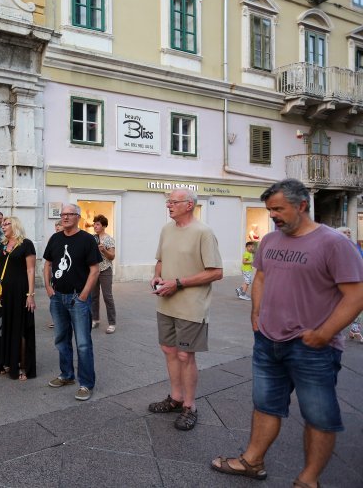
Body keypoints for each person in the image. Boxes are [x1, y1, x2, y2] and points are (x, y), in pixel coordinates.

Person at [211, 179, 363, 487]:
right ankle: (252, 462)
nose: (273, 216)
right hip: (268, 340)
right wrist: (256, 313)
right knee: (265, 405)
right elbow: (262, 277)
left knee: (318, 416)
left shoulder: (334, 243)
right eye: (270, 210)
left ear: (302, 205)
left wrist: (325, 333)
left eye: (279, 209)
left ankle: (308, 479)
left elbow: (356, 294)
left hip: (312, 346)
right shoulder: (269, 240)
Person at [149, 188, 223, 431]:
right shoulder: (165, 229)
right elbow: (160, 260)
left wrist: (178, 283)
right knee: (169, 350)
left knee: (185, 355)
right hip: (166, 301)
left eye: (173, 202)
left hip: (191, 306)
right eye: (168, 202)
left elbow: (216, 272)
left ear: (189, 205)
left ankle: (190, 406)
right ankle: (175, 398)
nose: (168, 205)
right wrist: (157, 277)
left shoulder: (204, 232)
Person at [43, 203, 101, 401]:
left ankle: (86, 383)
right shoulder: (55, 238)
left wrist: (84, 295)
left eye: (70, 214)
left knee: (83, 343)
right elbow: (48, 264)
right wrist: (49, 288)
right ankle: (66, 375)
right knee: (61, 339)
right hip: (57, 297)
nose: (65, 217)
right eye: (63, 214)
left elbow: (95, 270)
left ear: (78, 217)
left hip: (78, 298)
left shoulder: (87, 240)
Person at [0, 216, 36, 380]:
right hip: (4, 291)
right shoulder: (3, 245)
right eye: (3, 223)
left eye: (7, 223)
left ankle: (22, 366)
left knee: (20, 329)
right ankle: (7, 361)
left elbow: (31, 270)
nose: (3, 226)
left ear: (15, 226)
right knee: (4, 327)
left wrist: (30, 295)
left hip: (20, 291)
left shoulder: (26, 244)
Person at [90, 214, 117, 333]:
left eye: (97, 224)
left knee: (107, 297)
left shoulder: (109, 239)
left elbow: (112, 256)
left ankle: (112, 323)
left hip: (105, 270)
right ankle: (95, 319)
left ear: (104, 225)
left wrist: (104, 250)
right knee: (93, 296)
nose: (95, 226)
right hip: (93, 270)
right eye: (94, 224)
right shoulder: (92, 238)